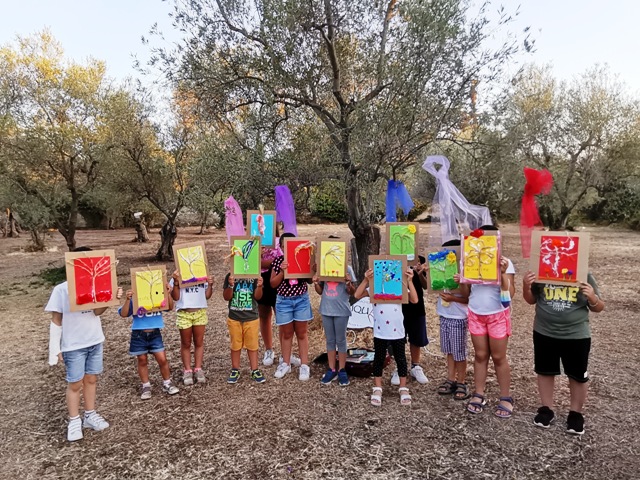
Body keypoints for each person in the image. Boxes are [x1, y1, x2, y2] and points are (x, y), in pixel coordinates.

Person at [523, 269, 604, 435]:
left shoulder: (584, 274)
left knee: (577, 375)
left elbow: (599, 307)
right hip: (544, 331)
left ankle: (575, 413)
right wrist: (526, 286)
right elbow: (531, 299)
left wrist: (592, 297)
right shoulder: (542, 271)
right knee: (545, 371)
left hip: (576, 335)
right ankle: (546, 409)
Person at [45, 246, 112, 442]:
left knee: (91, 379)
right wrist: (55, 349)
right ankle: (74, 420)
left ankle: (89, 415)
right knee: (75, 383)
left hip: (95, 340)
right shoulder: (61, 290)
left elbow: (97, 312)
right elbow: (56, 320)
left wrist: (108, 298)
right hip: (73, 345)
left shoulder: (95, 286)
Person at [456, 225, 516, 418]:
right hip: (475, 313)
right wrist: (463, 280)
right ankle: (479, 393)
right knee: (480, 355)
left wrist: (503, 273)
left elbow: (509, 295)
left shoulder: (505, 263)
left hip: (497, 315)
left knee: (499, 357)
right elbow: (466, 294)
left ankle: (505, 397)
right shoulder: (470, 260)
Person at [354, 266, 419, 406]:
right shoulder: (375, 288)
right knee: (378, 358)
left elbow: (414, 299)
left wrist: (409, 281)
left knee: (401, 359)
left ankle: (403, 387)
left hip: (398, 331)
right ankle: (377, 388)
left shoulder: (398, 287)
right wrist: (366, 280)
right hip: (380, 331)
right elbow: (357, 295)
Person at [119, 285, 180, 400]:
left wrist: (167, 293)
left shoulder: (158, 294)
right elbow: (123, 314)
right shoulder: (135, 298)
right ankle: (146, 386)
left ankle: (167, 382)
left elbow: (169, 307)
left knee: (162, 359)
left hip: (155, 333)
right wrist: (127, 299)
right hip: (138, 335)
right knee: (142, 360)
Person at [270, 233, 314, 380]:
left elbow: (309, 280)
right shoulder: (277, 262)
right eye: (284, 246)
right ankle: (286, 363)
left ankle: (304, 365)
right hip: (283, 302)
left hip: (301, 300)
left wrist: (309, 266)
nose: (286, 249)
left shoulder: (301, 258)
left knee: (302, 333)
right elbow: (273, 284)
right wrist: (283, 271)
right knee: (287, 333)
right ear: (281, 247)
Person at [434, 240, 470, 400]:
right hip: (445, 315)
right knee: (449, 351)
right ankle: (451, 379)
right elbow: (432, 286)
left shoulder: (464, 272)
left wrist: (453, 298)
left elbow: (469, 298)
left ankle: (461, 381)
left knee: (459, 352)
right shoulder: (441, 269)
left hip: (458, 317)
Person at [312, 259, 357, 387]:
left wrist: (348, 283)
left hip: (341, 310)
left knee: (341, 340)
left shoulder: (347, 268)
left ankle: (342, 369)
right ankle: (332, 369)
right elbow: (320, 291)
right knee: (330, 340)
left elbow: (352, 291)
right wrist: (316, 283)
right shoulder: (324, 268)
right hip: (326, 309)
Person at [170, 270, 214, 385]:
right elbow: (175, 297)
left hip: (200, 312)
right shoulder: (178, 274)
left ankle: (198, 369)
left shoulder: (202, 273)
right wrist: (175, 282)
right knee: (186, 343)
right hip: (184, 314)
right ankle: (187, 370)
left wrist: (210, 285)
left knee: (199, 342)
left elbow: (207, 295)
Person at [222, 272, 267, 383]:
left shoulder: (255, 276)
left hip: (251, 317)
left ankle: (254, 369)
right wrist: (231, 285)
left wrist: (260, 286)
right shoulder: (230, 276)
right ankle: (235, 369)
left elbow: (258, 297)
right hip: (234, 317)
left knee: (252, 345)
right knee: (235, 344)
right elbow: (226, 297)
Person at [393, 255, 429, 385]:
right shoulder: (393, 260)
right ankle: (399, 367)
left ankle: (415, 366)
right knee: (398, 338)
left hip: (417, 306)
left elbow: (426, 286)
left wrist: (419, 273)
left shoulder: (418, 260)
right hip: (397, 306)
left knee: (416, 338)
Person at [257, 228, 282, 367]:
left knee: (281, 315)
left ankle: (286, 351)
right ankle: (269, 350)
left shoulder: (279, 243)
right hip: (260, 280)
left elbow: (279, 262)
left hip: (276, 279)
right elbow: (250, 261)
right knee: (264, 315)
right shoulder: (252, 243)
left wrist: (262, 261)